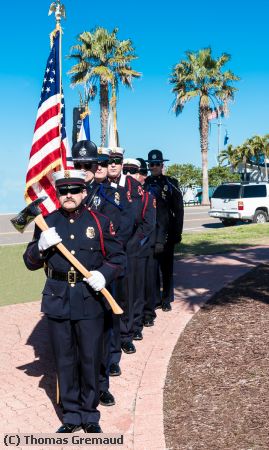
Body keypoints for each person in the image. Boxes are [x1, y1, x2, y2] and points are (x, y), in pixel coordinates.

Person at [23, 169, 125, 433]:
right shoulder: (46, 222)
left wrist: (103, 275)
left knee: (90, 358)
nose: (68, 195)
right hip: (58, 297)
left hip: (89, 298)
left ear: (83, 193)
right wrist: (40, 246)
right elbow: (30, 262)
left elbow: (118, 258)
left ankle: (90, 414)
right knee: (64, 359)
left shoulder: (100, 221)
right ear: (58, 195)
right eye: (63, 191)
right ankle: (71, 416)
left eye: (73, 191)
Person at [144, 149, 184, 312]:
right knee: (152, 270)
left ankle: (166, 299)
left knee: (166, 270)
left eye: (156, 164)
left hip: (166, 235)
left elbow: (179, 210)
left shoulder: (171, 183)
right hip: (150, 235)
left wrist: (177, 234)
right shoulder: (145, 184)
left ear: (162, 165)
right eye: (151, 164)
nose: (153, 167)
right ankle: (155, 299)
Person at [122, 158, 156, 341]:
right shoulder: (115, 194)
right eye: (125, 170)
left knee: (136, 291)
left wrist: (132, 244)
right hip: (116, 251)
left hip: (135, 250)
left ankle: (135, 325)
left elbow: (148, 224)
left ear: (139, 174)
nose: (128, 175)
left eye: (132, 171)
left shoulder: (146, 197)